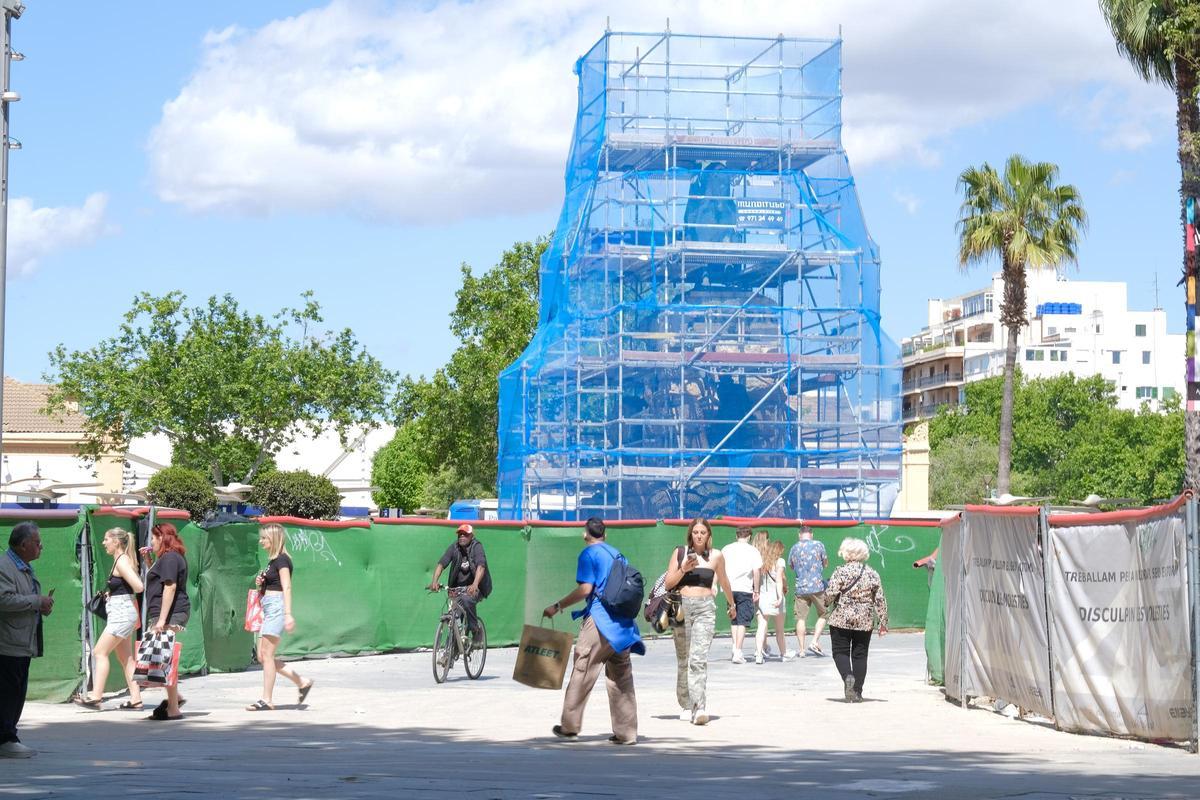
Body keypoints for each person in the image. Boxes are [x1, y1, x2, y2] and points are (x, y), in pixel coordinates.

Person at [542, 517, 643, 745]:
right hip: (622, 626)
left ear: (585, 534)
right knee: (621, 677)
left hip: (599, 621)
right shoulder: (618, 554)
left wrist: (557, 606)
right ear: (605, 535)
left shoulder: (588, 554)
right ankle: (626, 733)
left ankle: (569, 726)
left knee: (583, 669)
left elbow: (586, 589)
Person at [664, 517, 736, 725]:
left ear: (708, 535)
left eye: (703, 532)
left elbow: (724, 580)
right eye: (695, 532)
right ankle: (686, 704)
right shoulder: (680, 553)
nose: (699, 536)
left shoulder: (716, 556)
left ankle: (699, 707)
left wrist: (731, 604)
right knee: (684, 659)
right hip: (681, 608)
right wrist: (683, 569)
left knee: (698, 658)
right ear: (690, 534)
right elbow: (669, 583)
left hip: (705, 608)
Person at [246, 524, 314, 711]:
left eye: (264, 539)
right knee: (262, 656)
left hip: (276, 607)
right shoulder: (272, 561)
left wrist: (288, 614)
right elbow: (271, 584)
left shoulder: (282, 560)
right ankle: (302, 682)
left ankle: (266, 699)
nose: (261, 541)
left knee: (267, 655)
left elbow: (287, 587)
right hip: (268, 607)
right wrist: (262, 582)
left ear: (274, 539)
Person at [0, 522, 53, 757]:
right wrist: (35, 601)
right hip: (8, 642)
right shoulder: (4, 566)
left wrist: (40, 605)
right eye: (37, 542)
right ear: (23, 545)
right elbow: (3, 600)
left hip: (21, 640)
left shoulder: (22, 566)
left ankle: (9, 735)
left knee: (16, 690)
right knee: (8, 692)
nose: (41, 546)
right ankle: (5, 739)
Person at [76, 528, 144, 710]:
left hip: (122, 614)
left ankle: (96, 696)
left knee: (99, 652)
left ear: (116, 542)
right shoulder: (121, 560)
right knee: (126, 658)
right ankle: (136, 699)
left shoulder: (121, 562)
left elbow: (138, 586)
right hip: (122, 612)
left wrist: (119, 596)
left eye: (106, 539)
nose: (103, 543)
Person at [824, 537, 889, 702]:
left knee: (840, 652)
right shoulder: (872, 573)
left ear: (845, 553)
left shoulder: (841, 571)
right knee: (860, 655)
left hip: (841, 618)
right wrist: (883, 621)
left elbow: (831, 593)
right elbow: (879, 599)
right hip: (864, 619)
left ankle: (847, 677)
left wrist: (825, 602)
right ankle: (858, 692)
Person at [143, 523, 191, 721]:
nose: (151, 543)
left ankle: (173, 707)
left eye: (153, 538)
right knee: (164, 659)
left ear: (162, 538)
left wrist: (162, 620)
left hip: (170, 614)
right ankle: (174, 700)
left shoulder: (170, 557)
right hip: (167, 614)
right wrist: (149, 562)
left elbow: (169, 587)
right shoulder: (167, 558)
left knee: (165, 659)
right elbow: (160, 579)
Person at [428, 523, 491, 635]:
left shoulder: (477, 547)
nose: (462, 536)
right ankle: (455, 645)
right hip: (457, 588)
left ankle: (475, 630)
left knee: (467, 600)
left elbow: (481, 566)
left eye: (465, 534)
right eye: (460, 534)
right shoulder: (454, 547)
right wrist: (434, 582)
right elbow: (441, 564)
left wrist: (475, 584)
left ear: (471, 536)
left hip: (478, 587)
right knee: (455, 617)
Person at [720, 525, 761, 663]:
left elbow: (719, 568)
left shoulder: (726, 549)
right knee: (743, 620)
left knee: (734, 617)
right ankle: (738, 651)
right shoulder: (753, 551)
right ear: (749, 536)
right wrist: (756, 590)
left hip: (729, 588)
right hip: (744, 588)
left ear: (736, 535)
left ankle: (735, 647)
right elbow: (756, 571)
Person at [788, 525, 829, 657]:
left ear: (799, 534)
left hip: (801, 587)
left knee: (801, 618)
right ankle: (814, 641)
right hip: (817, 586)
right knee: (824, 614)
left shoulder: (794, 547)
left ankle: (801, 650)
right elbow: (825, 563)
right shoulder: (819, 545)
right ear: (811, 534)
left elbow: (791, 566)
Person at [753, 539, 790, 665]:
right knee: (779, 629)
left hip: (763, 598)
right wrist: (780, 597)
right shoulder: (780, 561)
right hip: (775, 597)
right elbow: (779, 580)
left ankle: (758, 653)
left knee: (761, 627)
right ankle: (783, 654)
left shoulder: (763, 562)